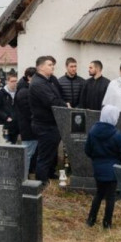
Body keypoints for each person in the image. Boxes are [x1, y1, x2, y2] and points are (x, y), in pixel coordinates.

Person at [84, 105, 121, 228]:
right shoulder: (117, 135)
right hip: (113, 170)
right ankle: (107, 223)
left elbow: (87, 150)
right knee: (110, 197)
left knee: (99, 194)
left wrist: (96, 159)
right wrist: (117, 161)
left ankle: (91, 220)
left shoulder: (93, 132)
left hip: (98, 169)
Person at [30, 55, 67, 183]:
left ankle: (49, 174)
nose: (53, 67)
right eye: (49, 65)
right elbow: (51, 101)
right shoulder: (38, 83)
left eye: (52, 65)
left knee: (51, 153)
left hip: (51, 123)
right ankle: (41, 182)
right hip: (45, 125)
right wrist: (65, 105)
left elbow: (57, 95)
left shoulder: (47, 80)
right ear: (40, 67)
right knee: (44, 155)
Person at [15, 67, 37, 177]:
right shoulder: (24, 92)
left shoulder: (26, 89)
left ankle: (25, 176)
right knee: (27, 154)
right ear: (29, 77)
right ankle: (23, 178)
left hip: (30, 127)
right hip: (28, 128)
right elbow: (28, 112)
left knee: (29, 153)